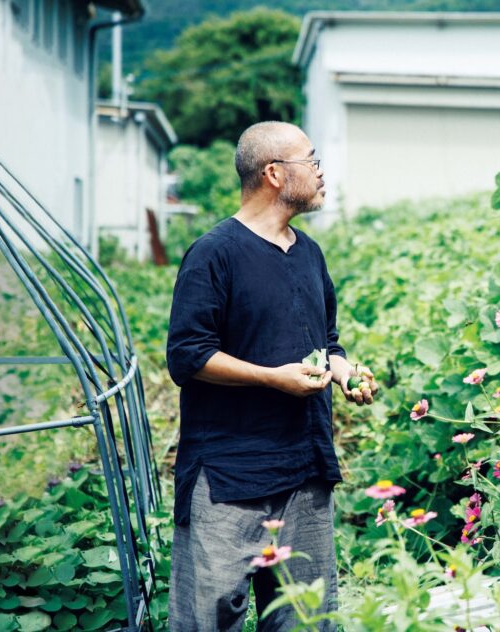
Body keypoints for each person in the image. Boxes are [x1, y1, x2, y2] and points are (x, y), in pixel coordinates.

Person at [165, 121, 375, 630]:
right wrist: (271, 377)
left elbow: (327, 341)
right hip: (229, 476)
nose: (321, 173)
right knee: (208, 619)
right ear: (275, 173)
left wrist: (344, 371)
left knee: (305, 619)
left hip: (305, 471)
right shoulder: (214, 253)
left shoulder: (309, 253)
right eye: (312, 161)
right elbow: (188, 356)